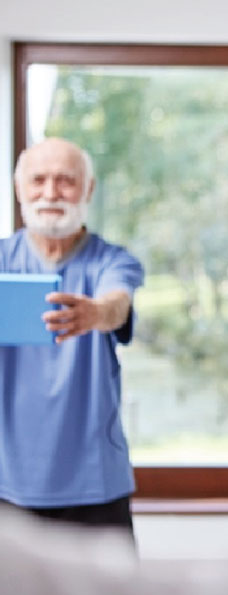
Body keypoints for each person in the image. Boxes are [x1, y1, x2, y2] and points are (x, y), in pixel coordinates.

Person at [0, 138, 144, 536]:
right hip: (8, 481)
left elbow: (117, 303)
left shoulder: (112, 261)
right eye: (38, 180)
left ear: (89, 189)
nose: (50, 193)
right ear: (19, 189)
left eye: (65, 181)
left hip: (95, 484)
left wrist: (96, 313)